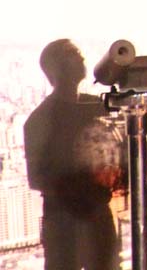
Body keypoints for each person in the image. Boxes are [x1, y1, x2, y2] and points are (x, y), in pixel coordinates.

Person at [24, 40, 120, 270]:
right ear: (55, 68)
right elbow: (37, 178)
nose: (81, 58)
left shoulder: (97, 106)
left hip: (96, 215)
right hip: (64, 223)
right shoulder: (40, 120)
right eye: (72, 53)